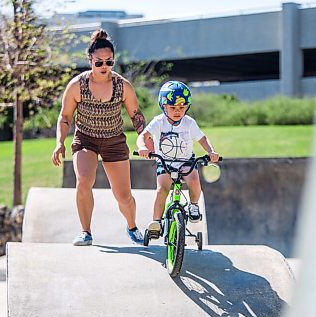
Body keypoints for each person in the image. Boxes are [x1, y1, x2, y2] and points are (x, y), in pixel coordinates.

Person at [51, 29, 146, 246]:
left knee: (123, 196)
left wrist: (143, 137)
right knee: (84, 181)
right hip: (86, 139)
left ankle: (132, 226)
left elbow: (136, 115)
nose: (104, 67)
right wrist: (59, 143)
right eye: (99, 62)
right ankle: (86, 232)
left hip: (114, 140)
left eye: (109, 62)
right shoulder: (77, 85)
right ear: (90, 60)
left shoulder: (122, 86)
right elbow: (65, 117)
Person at [136, 81, 219, 234]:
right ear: (163, 106)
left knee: (194, 182)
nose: (177, 111)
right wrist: (142, 147)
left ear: (187, 107)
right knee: (162, 190)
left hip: (185, 161)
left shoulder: (189, 123)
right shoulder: (158, 122)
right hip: (165, 162)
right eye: (173, 108)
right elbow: (143, 136)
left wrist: (211, 151)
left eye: (182, 108)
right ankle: (156, 222)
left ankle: (193, 205)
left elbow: (202, 139)